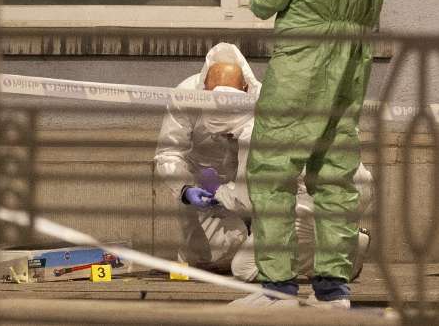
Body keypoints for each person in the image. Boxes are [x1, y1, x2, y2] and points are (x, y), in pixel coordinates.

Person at [233, 0, 391, 308]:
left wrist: (258, 2)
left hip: (306, 44)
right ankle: (334, 288)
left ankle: (277, 287)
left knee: (272, 164)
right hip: (355, 46)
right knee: (336, 167)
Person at [155, 42, 372, 283]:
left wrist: (221, 193)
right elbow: (168, 153)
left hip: (300, 196)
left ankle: (336, 250)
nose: (225, 139)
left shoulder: (256, 126)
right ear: (204, 88)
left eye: (226, 133)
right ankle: (335, 248)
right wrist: (186, 189)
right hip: (330, 188)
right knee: (211, 257)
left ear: (245, 89)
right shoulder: (188, 97)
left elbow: (247, 198)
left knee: (245, 267)